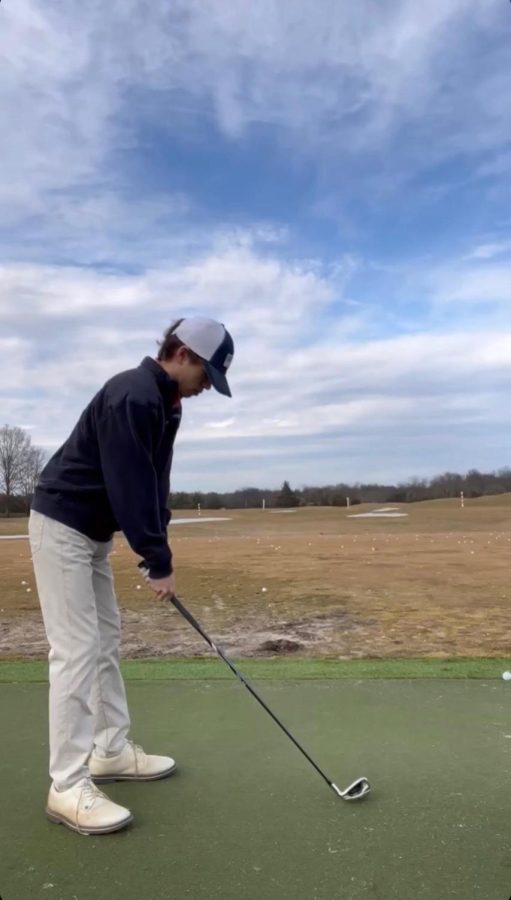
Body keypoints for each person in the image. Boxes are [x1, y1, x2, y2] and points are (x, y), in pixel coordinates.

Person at [28, 316, 234, 835]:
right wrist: (155, 559)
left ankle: (111, 751)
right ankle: (67, 786)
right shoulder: (134, 395)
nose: (207, 384)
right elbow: (130, 483)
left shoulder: (166, 404)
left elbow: (154, 481)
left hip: (90, 534)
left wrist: (157, 545)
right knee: (75, 650)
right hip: (62, 524)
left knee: (106, 639)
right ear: (182, 353)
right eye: (206, 372)